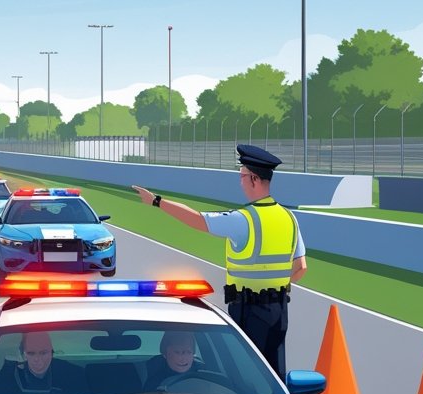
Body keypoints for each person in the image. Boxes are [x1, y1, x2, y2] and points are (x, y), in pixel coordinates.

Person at [131, 144, 306, 377]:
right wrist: (273, 288)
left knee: (244, 375)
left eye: (242, 176)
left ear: (254, 179)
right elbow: (300, 267)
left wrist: (156, 201)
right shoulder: (289, 218)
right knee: (273, 374)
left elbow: (197, 219)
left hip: (248, 311)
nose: (240, 182)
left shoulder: (244, 219)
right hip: (278, 310)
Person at [0, 331, 79, 394]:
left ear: (51, 353)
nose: (37, 359)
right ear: (23, 354)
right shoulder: (4, 381)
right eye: (31, 353)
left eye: (43, 353)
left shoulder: (72, 375)